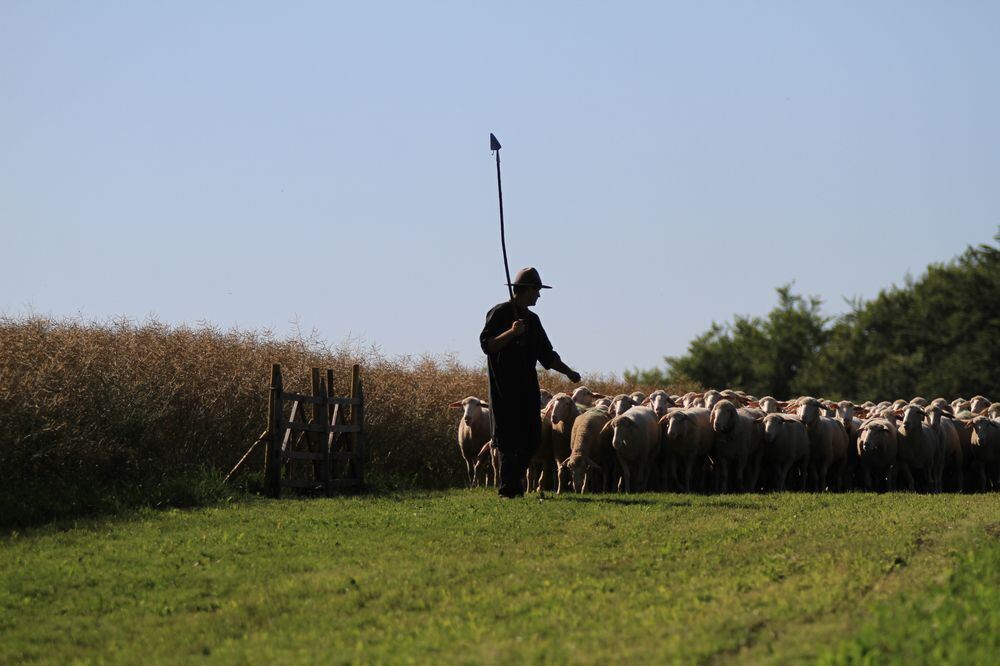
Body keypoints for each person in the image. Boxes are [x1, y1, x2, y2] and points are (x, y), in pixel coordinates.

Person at [479, 267, 581, 498]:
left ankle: (511, 485)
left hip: (527, 389)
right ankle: (509, 491)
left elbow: (547, 355)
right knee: (507, 441)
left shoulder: (533, 321)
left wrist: (568, 372)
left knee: (532, 438)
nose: (539, 295)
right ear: (527, 290)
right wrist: (511, 333)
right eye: (537, 290)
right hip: (504, 390)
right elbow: (488, 345)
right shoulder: (499, 313)